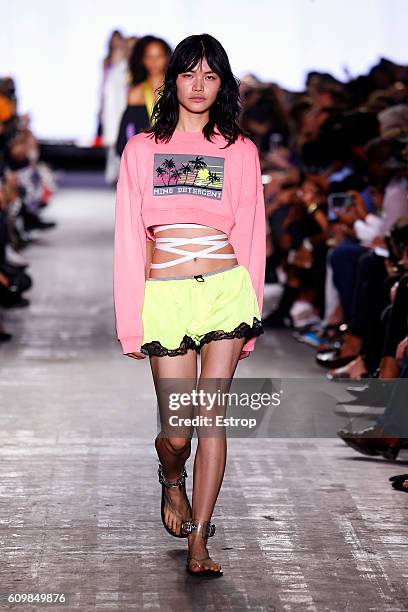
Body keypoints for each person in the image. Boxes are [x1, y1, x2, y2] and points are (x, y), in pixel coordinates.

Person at [113, 33, 266, 577]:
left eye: (210, 76)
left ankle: (200, 540)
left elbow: (252, 234)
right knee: (177, 433)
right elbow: (130, 240)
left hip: (225, 289)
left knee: (211, 417)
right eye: (188, 74)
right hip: (167, 295)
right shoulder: (143, 150)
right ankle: (171, 476)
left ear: (222, 84)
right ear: (173, 79)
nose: (198, 86)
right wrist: (130, 320)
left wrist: (250, 326)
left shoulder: (241, 151)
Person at [116, 36, 172, 157]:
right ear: (143, 60)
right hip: (143, 157)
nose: (154, 62)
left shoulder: (176, 91)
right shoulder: (135, 94)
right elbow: (124, 137)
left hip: (172, 155)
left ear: (167, 58)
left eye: (159, 56)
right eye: (149, 57)